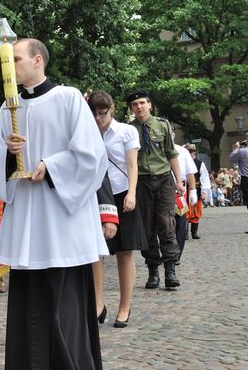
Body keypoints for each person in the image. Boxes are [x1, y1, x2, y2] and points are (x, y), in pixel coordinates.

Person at [0, 39, 107, 369]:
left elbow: (92, 156)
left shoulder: (68, 98)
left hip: (63, 223)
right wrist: (9, 155)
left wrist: (51, 165)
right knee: (30, 307)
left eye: (16, 59)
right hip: (27, 222)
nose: (9, 67)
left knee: (64, 310)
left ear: (38, 60)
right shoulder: (7, 108)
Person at [87, 92, 146, 328]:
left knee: (124, 251)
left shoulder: (126, 131)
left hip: (122, 193)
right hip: (96, 195)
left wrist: (132, 193)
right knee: (96, 252)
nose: (98, 118)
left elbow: (132, 165)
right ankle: (98, 304)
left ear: (112, 108)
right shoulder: (87, 132)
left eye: (102, 113)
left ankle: (124, 306)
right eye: (94, 113)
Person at [126, 89, 184, 290]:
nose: (139, 107)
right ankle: (153, 270)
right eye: (135, 104)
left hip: (164, 179)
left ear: (149, 104)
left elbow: (171, 153)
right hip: (142, 182)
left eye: (142, 103)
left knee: (166, 224)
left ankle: (170, 270)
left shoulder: (162, 125)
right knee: (147, 227)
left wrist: (179, 181)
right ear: (131, 108)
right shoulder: (129, 130)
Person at [172, 135, 197, 262]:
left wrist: (193, 190)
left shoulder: (182, 151)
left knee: (180, 223)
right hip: (160, 188)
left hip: (179, 191)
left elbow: (190, 172)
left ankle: (177, 255)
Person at [184, 144, 209, 239]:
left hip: (196, 190)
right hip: (185, 190)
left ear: (195, 152)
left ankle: (194, 233)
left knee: (196, 212)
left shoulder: (199, 163)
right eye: (188, 151)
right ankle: (185, 233)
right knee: (184, 212)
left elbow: (204, 178)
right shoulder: (182, 162)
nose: (189, 153)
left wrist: (204, 192)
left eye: (191, 151)